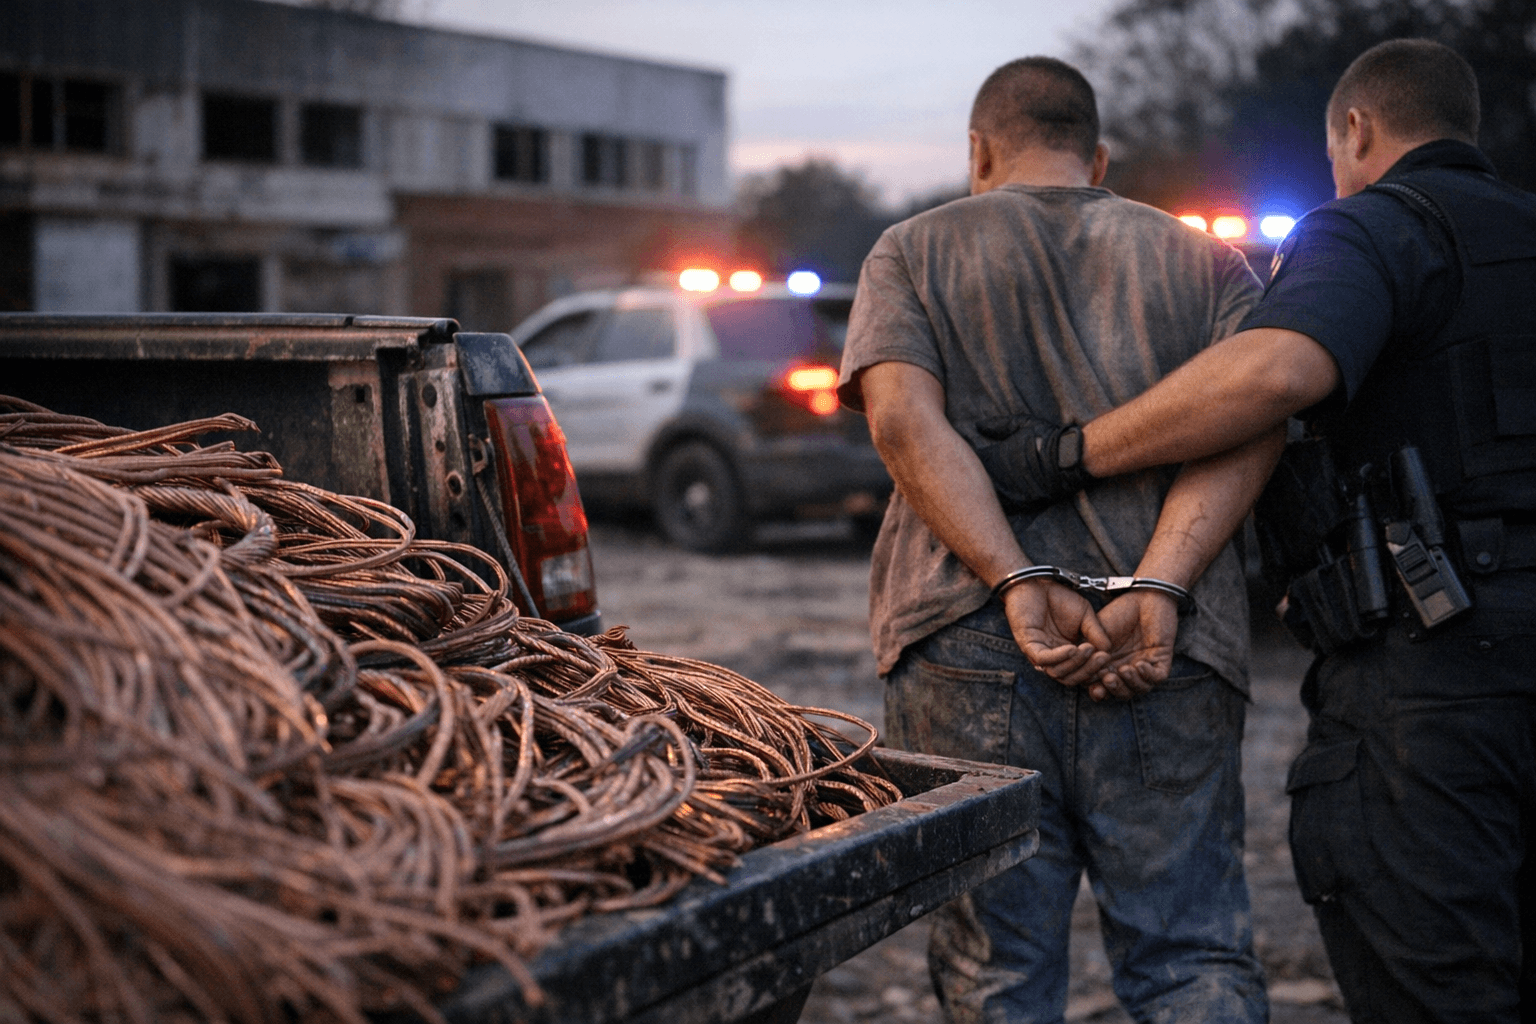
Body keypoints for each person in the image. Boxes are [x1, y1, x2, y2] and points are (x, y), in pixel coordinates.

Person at [985, 39, 1536, 1024]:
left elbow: (1271, 377)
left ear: (1357, 131)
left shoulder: (1377, 228)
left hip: (1443, 672)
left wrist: (1069, 454)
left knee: (1442, 978)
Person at [837, 56, 1281, 1023]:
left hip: (965, 638)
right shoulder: (1209, 262)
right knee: (1192, 949)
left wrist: (1016, 578)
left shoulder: (910, 249)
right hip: (1166, 642)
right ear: (1100, 155)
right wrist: (1159, 586)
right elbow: (1253, 425)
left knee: (997, 967)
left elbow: (905, 426)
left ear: (978, 151)